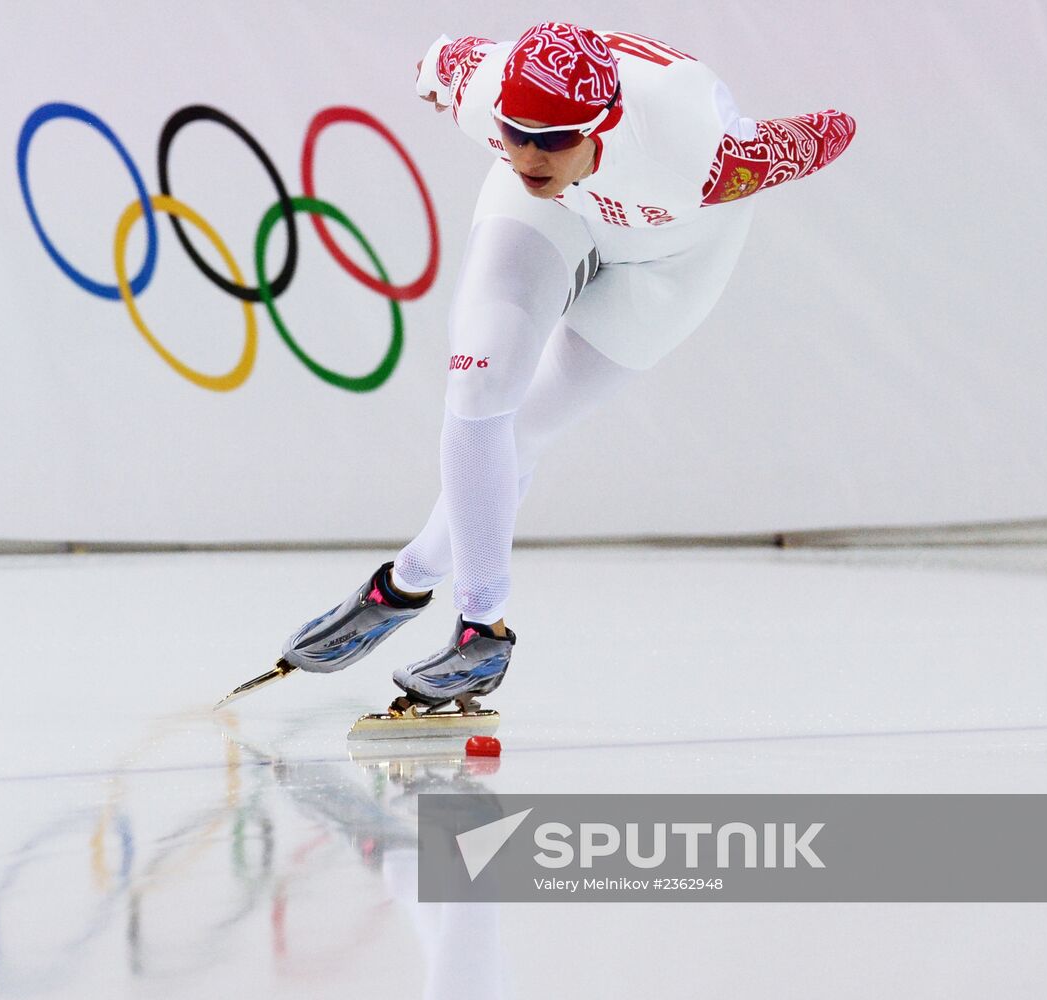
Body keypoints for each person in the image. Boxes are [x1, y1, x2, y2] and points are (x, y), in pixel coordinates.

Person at [280, 22, 856, 709]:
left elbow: (824, 135)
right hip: (558, 215)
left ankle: (403, 583)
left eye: (553, 138)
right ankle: (481, 631)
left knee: (523, 431)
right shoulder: (483, 89)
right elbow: (440, 61)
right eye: (514, 132)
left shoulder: (698, 153)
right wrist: (439, 74)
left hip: (675, 258)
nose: (528, 152)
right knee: (478, 386)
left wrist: (851, 119)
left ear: (603, 126)